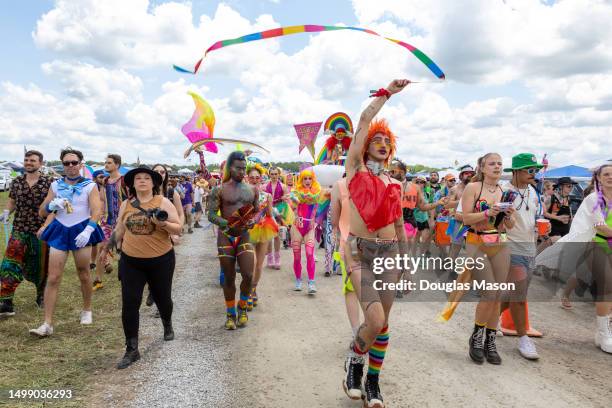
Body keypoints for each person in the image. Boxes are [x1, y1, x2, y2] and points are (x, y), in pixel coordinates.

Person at [341, 79, 409, 408]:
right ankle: (355, 361)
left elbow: (398, 224)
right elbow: (364, 122)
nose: (381, 142)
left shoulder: (395, 182)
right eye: (376, 140)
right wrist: (386, 95)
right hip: (359, 251)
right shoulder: (354, 170)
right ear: (366, 146)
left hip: (391, 253)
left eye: (387, 141)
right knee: (375, 319)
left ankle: (373, 381)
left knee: (384, 324)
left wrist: (407, 260)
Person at [112, 166, 182, 369]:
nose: (142, 180)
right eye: (138, 178)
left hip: (161, 260)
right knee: (130, 303)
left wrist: (163, 225)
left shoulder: (163, 202)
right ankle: (131, 349)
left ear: (153, 183)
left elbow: (178, 227)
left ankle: (167, 324)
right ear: (133, 184)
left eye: (146, 178)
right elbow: (119, 228)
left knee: (163, 298)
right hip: (131, 261)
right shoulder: (126, 203)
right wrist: (109, 246)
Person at [537, 164, 612, 353]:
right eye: (607, 174)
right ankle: (603, 334)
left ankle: (604, 331)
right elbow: (600, 226)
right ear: (599, 178)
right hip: (595, 244)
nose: (611, 177)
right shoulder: (593, 199)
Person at [30, 148, 104, 337]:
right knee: (53, 277)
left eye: (74, 162)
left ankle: (87, 309)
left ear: (80, 164)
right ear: (62, 164)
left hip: (81, 230)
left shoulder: (89, 185)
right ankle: (47, 323)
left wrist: (88, 230)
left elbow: (96, 210)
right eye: (66, 163)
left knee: (84, 273)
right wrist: (51, 205)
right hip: (61, 231)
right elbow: (42, 212)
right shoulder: (55, 185)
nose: (70, 166)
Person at [461, 152, 516, 365]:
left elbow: (510, 226)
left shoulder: (506, 192)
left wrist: (509, 215)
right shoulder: (473, 188)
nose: (497, 166)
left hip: (500, 243)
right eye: (491, 163)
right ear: (482, 168)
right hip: (476, 243)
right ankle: (476, 337)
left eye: (500, 163)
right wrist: (486, 213)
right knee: (489, 292)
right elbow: (466, 218)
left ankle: (490, 340)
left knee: (498, 294)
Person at [499, 153, 545, 360]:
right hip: (511, 247)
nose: (533, 173)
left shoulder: (533, 191)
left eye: (535, 170)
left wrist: (542, 226)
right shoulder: (505, 192)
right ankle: (523, 338)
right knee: (519, 296)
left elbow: (532, 218)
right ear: (517, 171)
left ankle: (491, 320)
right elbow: (500, 223)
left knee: (512, 294)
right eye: (529, 170)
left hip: (530, 248)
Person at [208, 152, 257, 330]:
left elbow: (256, 212)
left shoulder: (252, 190)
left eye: (244, 168)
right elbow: (211, 214)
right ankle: (230, 314)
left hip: (244, 236)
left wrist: (253, 221)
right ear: (230, 168)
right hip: (226, 236)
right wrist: (226, 223)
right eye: (238, 168)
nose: (242, 172)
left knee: (248, 276)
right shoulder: (218, 189)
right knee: (228, 277)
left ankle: (242, 307)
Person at [0, 150, 52, 317]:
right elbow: (12, 200)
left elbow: (53, 207)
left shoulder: (49, 182)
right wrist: (7, 211)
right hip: (19, 230)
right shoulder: (17, 182)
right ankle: (6, 302)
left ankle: (41, 296)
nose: (29, 162)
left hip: (41, 231)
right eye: (27, 160)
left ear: (41, 163)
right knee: (9, 264)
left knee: (41, 266)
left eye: (33, 160)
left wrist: (47, 225)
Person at [144, 164, 185, 309]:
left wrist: (177, 232)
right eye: (156, 172)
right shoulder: (146, 192)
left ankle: (160, 300)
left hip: (166, 234)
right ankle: (151, 290)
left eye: (163, 172)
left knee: (163, 273)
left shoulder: (171, 192)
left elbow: (180, 213)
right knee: (147, 264)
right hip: (148, 236)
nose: (160, 174)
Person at [331, 174, 362, 335]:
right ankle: (357, 333)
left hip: (376, 247)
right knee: (351, 290)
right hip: (349, 246)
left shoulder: (382, 182)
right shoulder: (340, 185)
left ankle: (368, 330)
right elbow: (334, 221)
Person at [93, 154, 127, 290]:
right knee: (102, 248)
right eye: (105, 162)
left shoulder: (124, 180)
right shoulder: (105, 181)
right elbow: (101, 197)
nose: (106, 165)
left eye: (109, 163)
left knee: (125, 250)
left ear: (117, 165)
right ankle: (98, 280)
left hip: (123, 221)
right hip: (108, 220)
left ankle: (127, 275)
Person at [247, 164, 278, 309]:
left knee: (259, 265)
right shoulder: (243, 195)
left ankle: (253, 289)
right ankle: (247, 291)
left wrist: (272, 210)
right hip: (247, 231)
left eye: (257, 177)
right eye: (251, 177)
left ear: (261, 179)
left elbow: (270, 214)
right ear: (247, 178)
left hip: (263, 230)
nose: (254, 180)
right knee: (250, 264)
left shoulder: (267, 196)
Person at [290, 169, 321, 294]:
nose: (307, 181)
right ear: (301, 180)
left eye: (309, 178)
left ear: (312, 180)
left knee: (309, 253)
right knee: (297, 257)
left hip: (309, 226)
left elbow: (317, 207)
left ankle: (311, 282)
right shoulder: (295, 192)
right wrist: (296, 201)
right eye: (305, 179)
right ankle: (298, 280)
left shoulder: (317, 192)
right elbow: (292, 207)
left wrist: (314, 219)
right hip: (297, 226)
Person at [265, 167, 292, 269]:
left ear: (279, 174)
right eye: (272, 174)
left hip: (278, 212)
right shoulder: (265, 186)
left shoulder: (283, 186)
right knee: (268, 236)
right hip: (268, 211)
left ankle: (277, 258)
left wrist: (284, 200)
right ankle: (270, 258)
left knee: (276, 235)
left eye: (276, 174)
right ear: (269, 175)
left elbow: (286, 201)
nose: (274, 176)